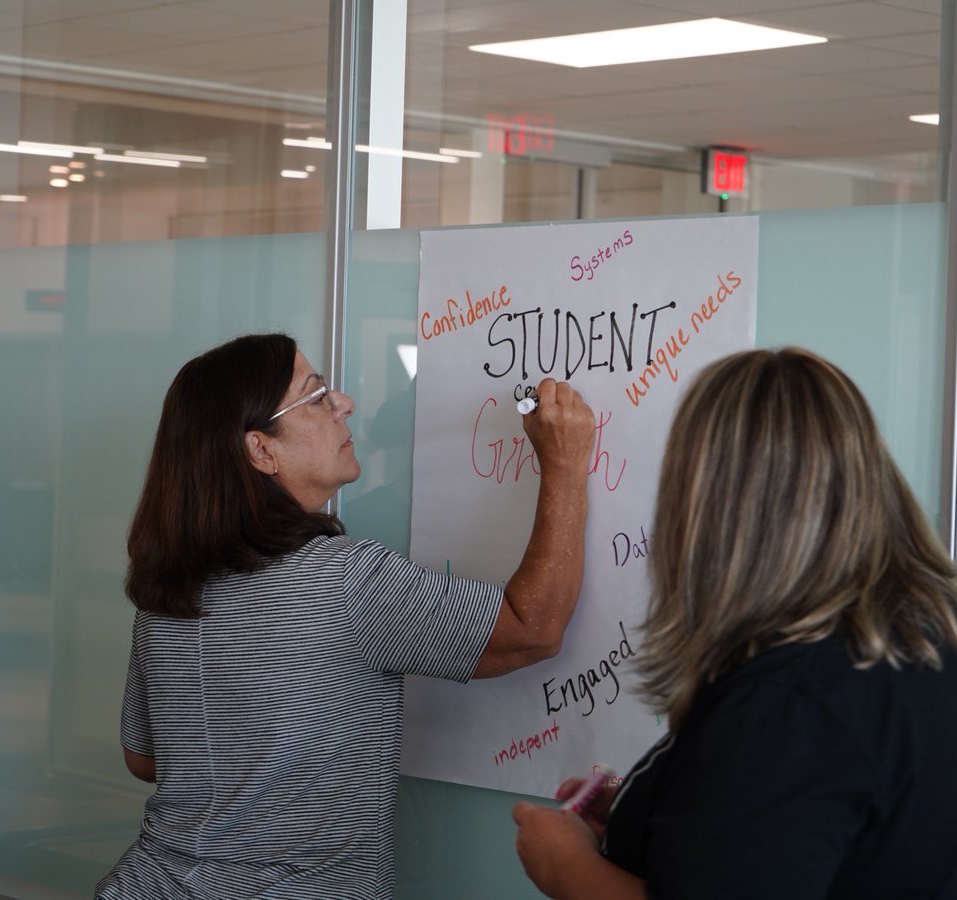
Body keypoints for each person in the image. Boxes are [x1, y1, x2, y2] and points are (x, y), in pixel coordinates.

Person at [512, 347, 957, 900]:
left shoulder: (791, 701)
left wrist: (564, 863)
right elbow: (814, 825)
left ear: (713, 506)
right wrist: (656, 808)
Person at [95, 333, 595, 900]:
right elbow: (533, 627)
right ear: (261, 451)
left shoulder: (167, 589)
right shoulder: (341, 579)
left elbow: (145, 759)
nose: (345, 403)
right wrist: (565, 466)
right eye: (316, 397)